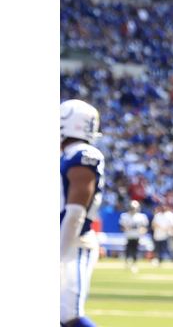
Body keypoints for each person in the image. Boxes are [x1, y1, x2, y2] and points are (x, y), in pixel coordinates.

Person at [60, 99, 105, 327]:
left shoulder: (82, 154)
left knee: (69, 315)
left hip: (73, 242)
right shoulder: (69, 155)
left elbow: (75, 213)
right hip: (66, 240)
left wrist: (57, 252)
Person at [119, 200, 149, 273]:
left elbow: (145, 228)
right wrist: (126, 227)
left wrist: (142, 230)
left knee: (135, 251)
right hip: (128, 236)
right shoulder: (124, 216)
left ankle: (134, 264)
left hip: (137, 236)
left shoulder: (141, 217)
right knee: (128, 251)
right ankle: (127, 263)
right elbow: (120, 227)